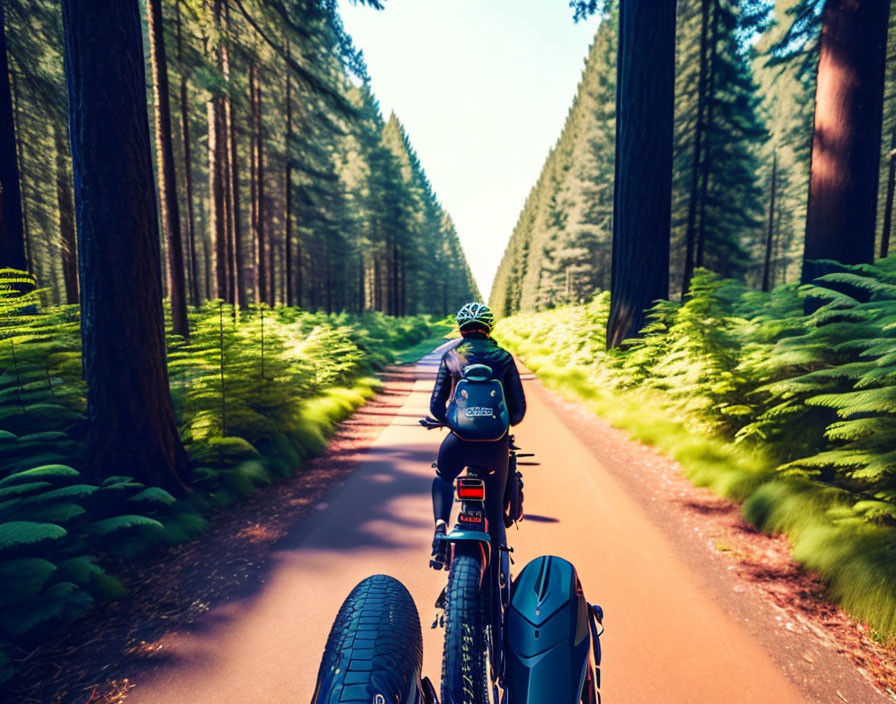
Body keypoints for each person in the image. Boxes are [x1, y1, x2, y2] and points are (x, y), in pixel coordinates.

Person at [428, 301, 526, 569]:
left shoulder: (451, 357)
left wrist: (451, 421)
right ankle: (499, 576)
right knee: (494, 512)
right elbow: (518, 412)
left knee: (444, 476)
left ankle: (440, 527)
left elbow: (436, 407)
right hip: (495, 449)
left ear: (461, 329)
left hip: (458, 443)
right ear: (489, 328)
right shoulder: (504, 358)